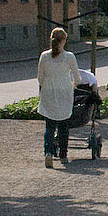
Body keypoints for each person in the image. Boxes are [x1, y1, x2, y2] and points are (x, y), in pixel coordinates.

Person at [37, 26, 80, 167]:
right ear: (64, 41)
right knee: (63, 126)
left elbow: (40, 79)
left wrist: (46, 86)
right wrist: (73, 85)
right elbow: (77, 78)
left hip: (48, 93)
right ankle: (63, 155)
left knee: (49, 127)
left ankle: (48, 152)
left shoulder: (44, 56)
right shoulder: (69, 56)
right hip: (64, 93)